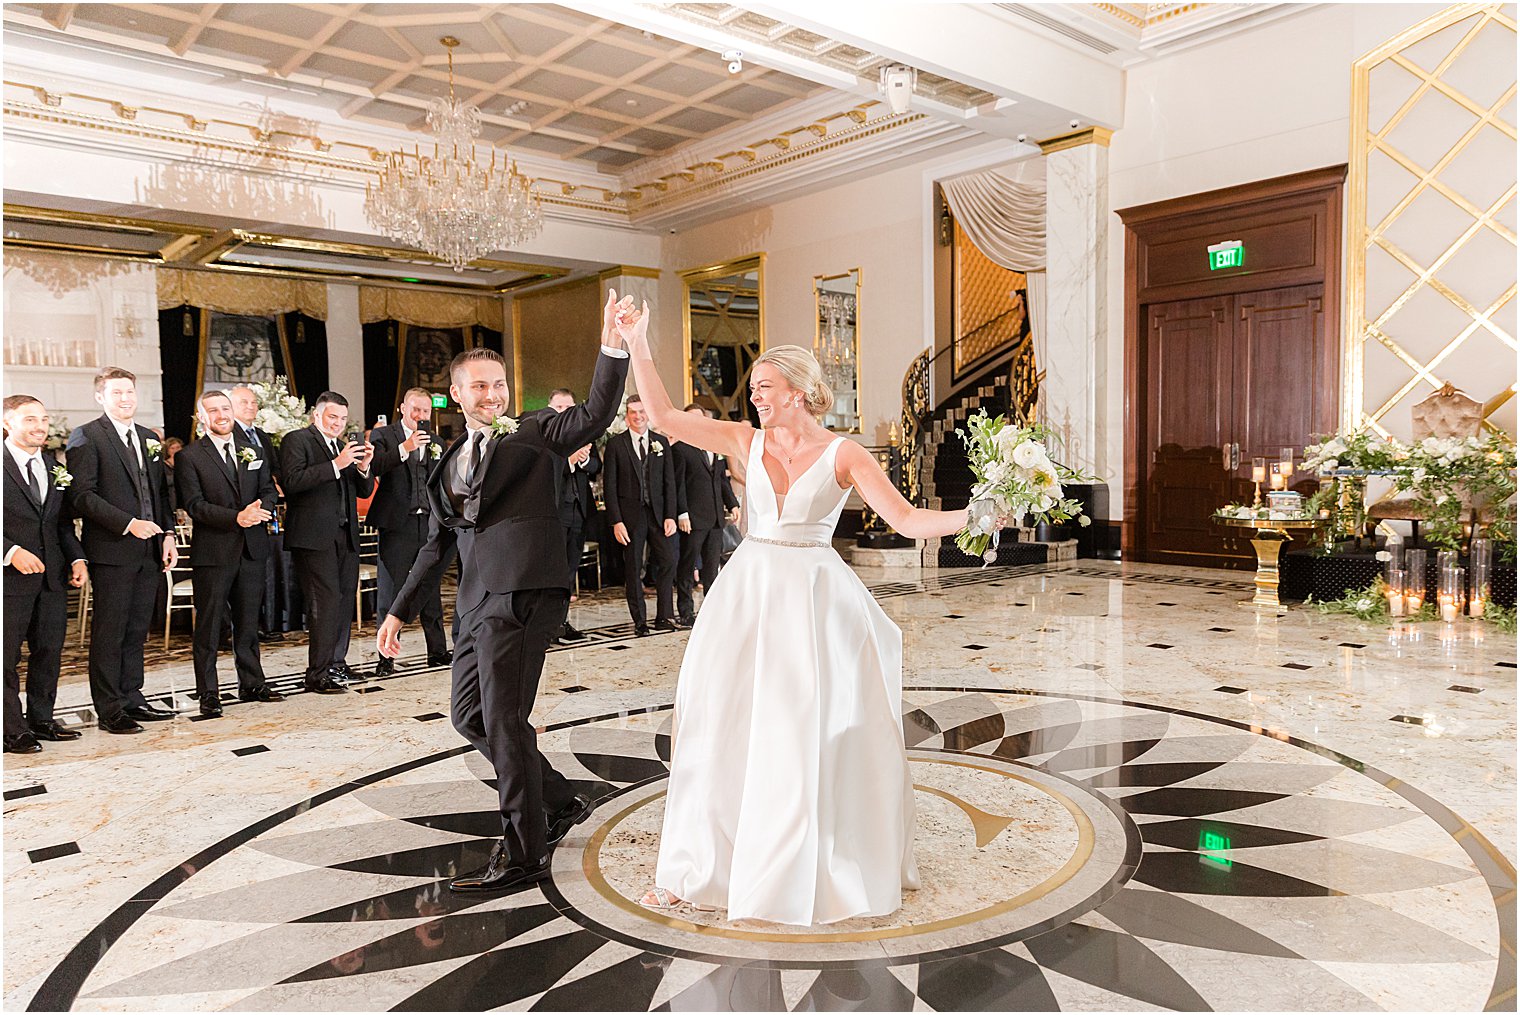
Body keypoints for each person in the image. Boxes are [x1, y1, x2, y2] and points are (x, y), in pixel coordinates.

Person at [614, 304, 970, 925]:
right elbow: (668, 417)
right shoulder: (741, 441)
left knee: (797, 733)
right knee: (719, 724)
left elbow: (908, 520)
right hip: (746, 594)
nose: (754, 397)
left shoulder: (845, 454)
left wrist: (979, 516)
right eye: (752, 388)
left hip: (812, 599)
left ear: (801, 392)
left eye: (765, 387)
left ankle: (796, 869)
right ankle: (694, 868)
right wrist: (638, 341)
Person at [376, 291, 632, 895]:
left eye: (498, 385)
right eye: (479, 387)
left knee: (505, 718)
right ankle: (560, 800)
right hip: (474, 604)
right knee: (469, 716)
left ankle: (523, 850)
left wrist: (611, 347)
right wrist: (395, 612)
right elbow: (435, 544)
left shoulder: (538, 433)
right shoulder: (448, 462)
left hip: (523, 594)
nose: (491, 396)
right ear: (457, 395)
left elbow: (596, 412)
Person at [65, 367, 179, 734]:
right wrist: (129, 524)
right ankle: (109, 708)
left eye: (129, 391)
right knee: (110, 632)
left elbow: (161, 493)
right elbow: (82, 496)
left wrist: (168, 535)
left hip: (150, 550)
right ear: (101, 397)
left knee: (136, 630)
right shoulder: (86, 436)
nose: (125, 398)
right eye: (117, 393)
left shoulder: (148, 437)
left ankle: (133, 697)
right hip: (112, 550)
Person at [175, 390, 285, 718]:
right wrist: (236, 517)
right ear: (202, 418)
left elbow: (268, 489)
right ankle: (208, 692)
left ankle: (252, 683)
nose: (221, 414)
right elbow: (194, 505)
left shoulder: (253, 449)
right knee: (209, 627)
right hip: (213, 552)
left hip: (251, 548)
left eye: (225, 408)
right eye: (213, 410)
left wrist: (260, 510)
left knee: (249, 623)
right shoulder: (190, 457)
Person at [3, 395, 88, 753]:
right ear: (7, 423)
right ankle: (11, 728)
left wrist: (77, 559)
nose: (39, 426)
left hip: (52, 578)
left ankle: (42, 718)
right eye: (29, 420)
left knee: (49, 651)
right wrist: (9, 552)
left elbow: (62, 524)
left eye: (43, 419)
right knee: (5, 656)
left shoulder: (55, 465)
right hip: (9, 580)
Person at [280, 391, 374, 695]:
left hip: (346, 535)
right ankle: (317, 674)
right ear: (317, 416)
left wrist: (362, 467)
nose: (338, 423)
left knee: (345, 599)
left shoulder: (342, 447)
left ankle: (337, 663)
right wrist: (337, 463)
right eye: (332, 417)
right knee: (326, 603)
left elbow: (362, 491)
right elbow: (293, 482)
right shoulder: (298, 440)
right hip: (313, 537)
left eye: (343, 419)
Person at [367, 388, 452, 677]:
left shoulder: (438, 441)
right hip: (396, 524)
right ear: (403, 408)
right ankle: (385, 657)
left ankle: (438, 652)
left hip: (428, 524)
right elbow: (375, 466)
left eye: (425, 411)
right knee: (391, 590)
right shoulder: (383, 436)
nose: (420, 416)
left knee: (430, 586)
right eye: (415, 410)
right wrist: (406, 447)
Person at [601, 396, 678, 635]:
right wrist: (616, 521)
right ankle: (640, 621)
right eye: (633, 412)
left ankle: (663, 616)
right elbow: (609, 487)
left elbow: (669, 483)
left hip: (657, 514)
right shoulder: (616, 445)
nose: (638, 416)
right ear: (627, 416)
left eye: (642, 412)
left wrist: (670, 515)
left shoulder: (661, 442)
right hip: (630, 516)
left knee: (668, 560)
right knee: (634, 567)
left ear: (648, 414)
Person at [673, 403, 740, 626]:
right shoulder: (680, 449)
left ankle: (712, 610)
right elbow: (678, 484)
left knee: (712, 567)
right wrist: (682, 513)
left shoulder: (714, 446)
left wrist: (732, 504)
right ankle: (685, 611)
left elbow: (721, 479)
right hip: (692, 518)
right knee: (687, 565)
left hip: (714, 517)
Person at [548, 387, 600, 642]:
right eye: (559, 407)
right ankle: (548, 625)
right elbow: (545, 472)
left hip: (578, 513)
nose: (564, 412)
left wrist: (581, 460)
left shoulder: (583, 434)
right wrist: (569, 460)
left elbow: (595, 465)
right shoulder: (546, 437)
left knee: (570, 570)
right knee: (552, 572)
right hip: (554, 514)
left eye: (569, 408)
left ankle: (562, 621)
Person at [228, 385, 281, 489]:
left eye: (254, 402)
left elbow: (275, 467)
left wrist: (272, 480)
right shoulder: (228, 434)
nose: (250, 406)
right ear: (230, 406)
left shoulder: (263, 435)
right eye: (244, 402)